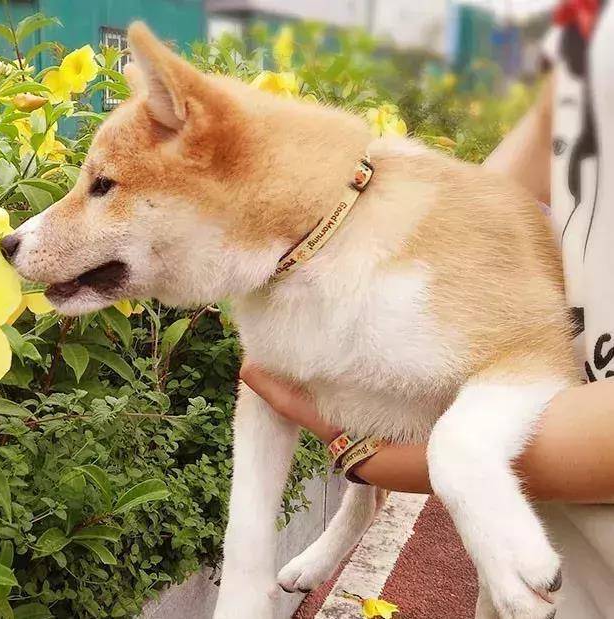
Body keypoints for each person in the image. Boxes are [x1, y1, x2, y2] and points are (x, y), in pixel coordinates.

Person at [241, 1, 614, 616]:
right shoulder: (587, 34)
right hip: (546, 572)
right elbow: (483, 204)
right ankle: (347, 527)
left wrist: (401, 460)